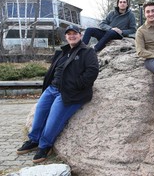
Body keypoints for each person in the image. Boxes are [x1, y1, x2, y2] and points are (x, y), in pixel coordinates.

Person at [16, 24, 99, 163]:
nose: (72, 36)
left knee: (53, 120)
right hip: (52, 89)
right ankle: (34, 140)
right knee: (39, 114)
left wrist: (75, 85)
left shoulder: (87, 51)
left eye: (75, 33)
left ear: (80, 35)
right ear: (66, 36)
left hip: (70, 92)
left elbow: (92, 72)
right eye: (69, 34)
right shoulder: (63, 52)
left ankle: (45, 146)